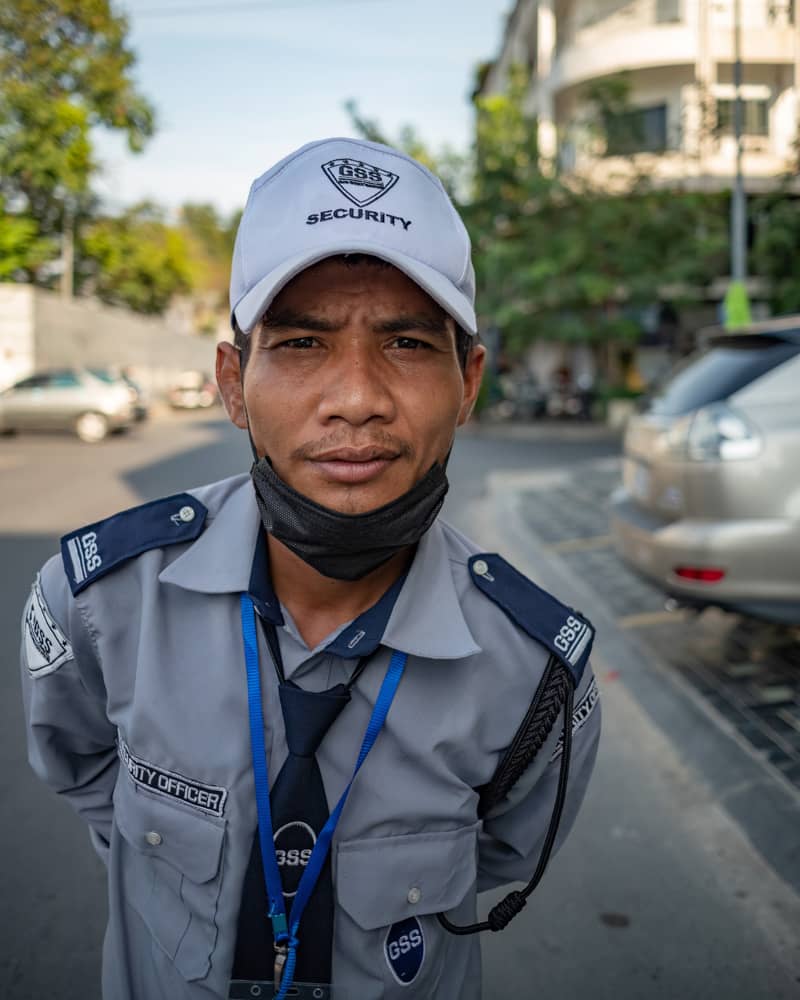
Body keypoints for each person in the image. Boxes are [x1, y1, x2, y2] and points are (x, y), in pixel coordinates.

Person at [20, 137, 600, 1000]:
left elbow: (504, 852)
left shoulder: (536, 670)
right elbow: (83, 767)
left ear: (469, 381)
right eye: (300, 343)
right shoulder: (100, 601)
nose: (357, 396)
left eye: (406, 342)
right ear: (231, 383)